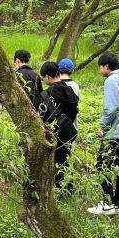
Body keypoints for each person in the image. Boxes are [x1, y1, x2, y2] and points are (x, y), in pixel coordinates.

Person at [88, 52, 119, 216]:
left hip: (114, 133)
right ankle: (118, 205)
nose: (100, 70)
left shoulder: (111, 80)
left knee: (103, 165)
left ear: (106, 66)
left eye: (100, 67)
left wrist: (102, 125)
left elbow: (111, 107)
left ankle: (107, 203)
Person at [39, 61, 79, 192]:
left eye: (43, 77)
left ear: (48, 77)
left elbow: (42, 117)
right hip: (68, 132)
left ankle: (57, 191)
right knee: (66, 161)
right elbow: (74, 111)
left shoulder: (47, 94)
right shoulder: (69, 90)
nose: (44, 80)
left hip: (54, 135)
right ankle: (68, 189)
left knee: (55, 163)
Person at [58, 58, 80, 131]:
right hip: (72, 123)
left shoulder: (55, 85)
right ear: (72, 71)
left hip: (58, 123)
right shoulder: (75, 85)